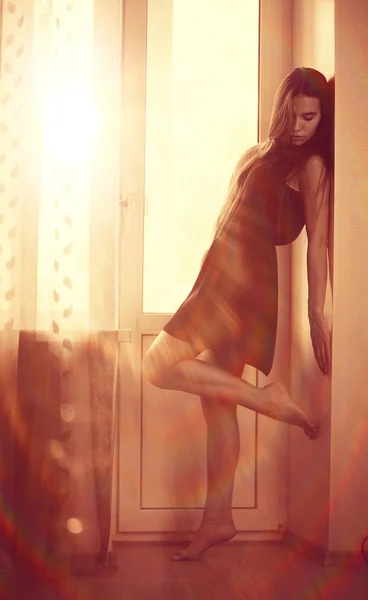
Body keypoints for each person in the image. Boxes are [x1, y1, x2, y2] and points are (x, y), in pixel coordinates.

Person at [142, 67, 333, 561]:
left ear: (321, 119)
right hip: (219, 275)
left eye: (310, 117)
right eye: (292, 115)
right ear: (279, 109)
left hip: (243, 286)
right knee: (216, 404)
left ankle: (268, 402)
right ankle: (218, 519)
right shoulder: (256, 154)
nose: (299, 126)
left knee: (155, 365)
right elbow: (228, 218)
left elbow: (317, 245)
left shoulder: (311, 167)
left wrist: (316, 309)